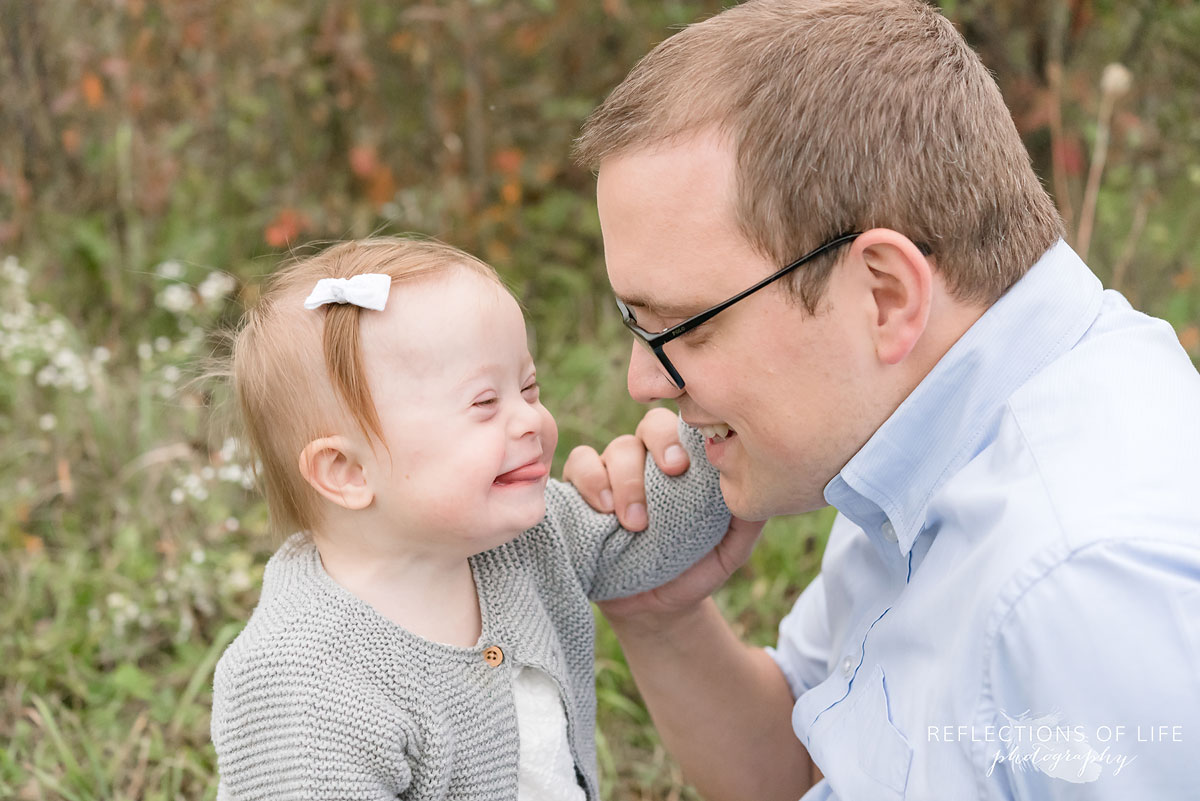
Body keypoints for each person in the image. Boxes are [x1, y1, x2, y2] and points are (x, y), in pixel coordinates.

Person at [563, 1, 1200, 799]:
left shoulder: (1089, 594)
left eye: (682, 326)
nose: (644, 380)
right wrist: (663, 616)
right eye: (635, 321)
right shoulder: (913, 437)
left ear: (886, 296)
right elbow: (807, 772)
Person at [208, 237, 731, 800]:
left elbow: (671, 525)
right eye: (485, 403)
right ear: (347, 471)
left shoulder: (528, 537)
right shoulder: (303, 683)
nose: (531, 420)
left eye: (528, 388)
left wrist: (716, 414)